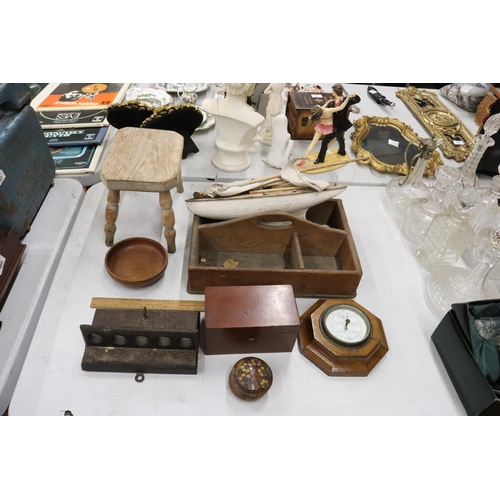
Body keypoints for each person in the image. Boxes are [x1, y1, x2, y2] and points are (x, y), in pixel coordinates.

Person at [297, 91, 355, 166]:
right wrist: (347, 97)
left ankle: (304, 159)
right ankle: (327, 150)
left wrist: (328, 102)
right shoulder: (327, 110)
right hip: (329, 128)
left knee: (312, 143)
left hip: (320, 127)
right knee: (333, 139)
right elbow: (341, 107)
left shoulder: (317, 114)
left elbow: (314, 113)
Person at [315, 93, 361, 163]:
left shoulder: (345, 101)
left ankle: (320, 159)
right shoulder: (331, 103)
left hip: (341, 125)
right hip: (334, 125)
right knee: (339, 137)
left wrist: (355, 95)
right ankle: (342, 151)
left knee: (325, 141)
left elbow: (357, 100)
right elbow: (323, 109)